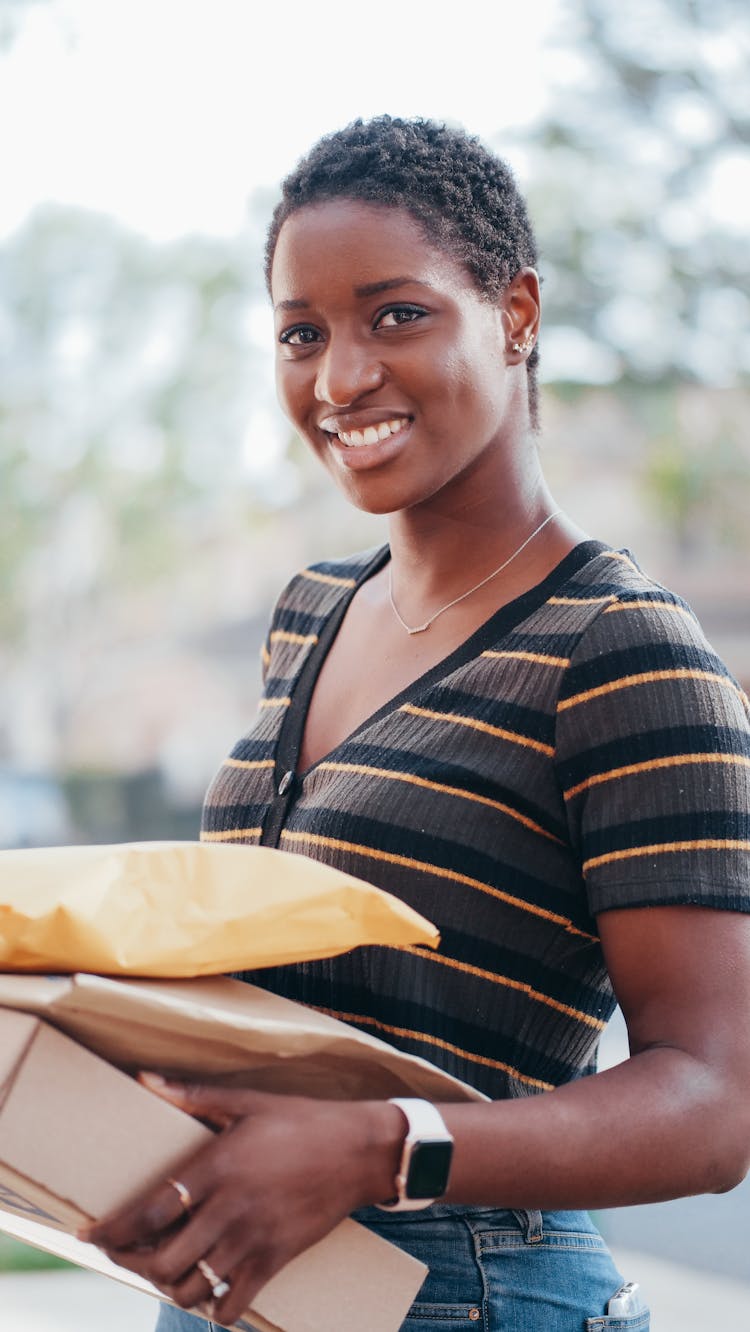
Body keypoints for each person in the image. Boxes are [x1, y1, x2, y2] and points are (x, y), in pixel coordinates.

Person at [85, 117, 750, 1331]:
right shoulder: (312, 612)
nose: (341, 379)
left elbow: (712, 1109)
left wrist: (382, 1148)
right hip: (238, 1275)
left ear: (516, 314)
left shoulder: (620, 652)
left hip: (463, 1293)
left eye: (396, 314)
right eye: (303, 332)